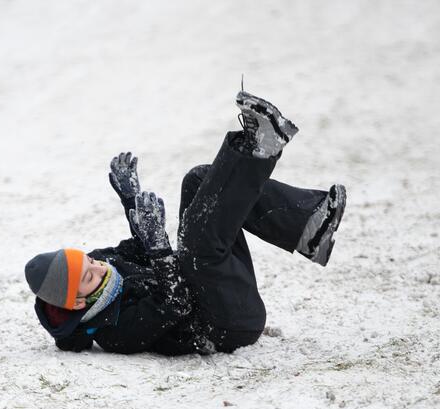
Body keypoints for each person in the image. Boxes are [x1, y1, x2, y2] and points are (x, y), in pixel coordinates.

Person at [24, 90, 347, 355]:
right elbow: (176, 303)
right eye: (88, 277)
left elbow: (140, 247)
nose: (98, 267)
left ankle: (310, 226)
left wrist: (131, 201)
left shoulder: (105, 265)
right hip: (226, 324)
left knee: (196, 180)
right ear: (79, 302)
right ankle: (259, 148)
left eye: (89, 260)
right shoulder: (114, 332)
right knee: (197, 245)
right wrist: (161, 250)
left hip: (216, 290)